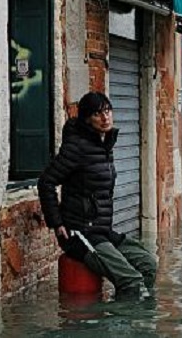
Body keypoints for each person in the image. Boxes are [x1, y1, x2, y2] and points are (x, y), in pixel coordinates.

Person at [37, 91, 157, 300]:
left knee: (148, 265)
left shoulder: (104, 146)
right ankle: (118, 326)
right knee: (131, 281)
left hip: (101, 231)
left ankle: (131, 319)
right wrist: (57, 223)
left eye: (108, 111)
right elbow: (46, 181)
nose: (105, 118)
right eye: (97, 114)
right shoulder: (76, 147)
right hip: (79, 233)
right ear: (86, 119)